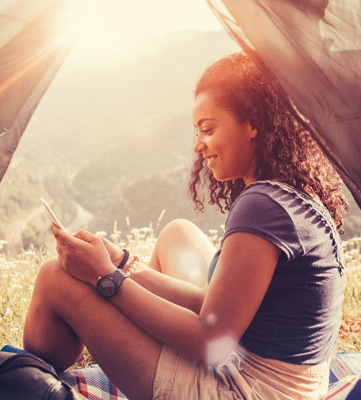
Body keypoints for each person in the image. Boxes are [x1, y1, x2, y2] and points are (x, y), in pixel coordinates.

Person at [23, 52, 347, 400]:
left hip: (249, 390)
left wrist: (107, 280)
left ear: (252, 122)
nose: (198, 145)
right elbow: (214, 305)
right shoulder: (290, 194)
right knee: (176, 233)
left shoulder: (263, 206)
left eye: (208, 129)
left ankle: (29, 381)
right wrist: (119, 261)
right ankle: (103, 344)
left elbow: (212, 344)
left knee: (55, 277)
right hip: (285, 382)